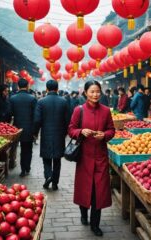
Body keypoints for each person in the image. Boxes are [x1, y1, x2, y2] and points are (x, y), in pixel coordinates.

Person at [68, 80, 115, 237]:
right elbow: (71, 129)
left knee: (98, 192)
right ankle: (83, 213)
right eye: (92, 91)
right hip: (84, 157)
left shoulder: (106, 110)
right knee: (84, 189)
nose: (95, 94)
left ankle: (95, 224)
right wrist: (81, 131)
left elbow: (111, 130)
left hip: (101, 157)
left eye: (97, 91)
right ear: (86, 93)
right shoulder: (78, 110)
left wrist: (105, 135)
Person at [33, 80, 70, 191]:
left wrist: (35, 133)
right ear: (57, 89)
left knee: (46, 158)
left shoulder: (41, 102)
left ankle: (48, 176)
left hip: (46, 133)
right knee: (57, 159)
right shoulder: (64, 101)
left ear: (47, 89)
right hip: (59, 134)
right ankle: (55, 183)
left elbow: (37, 120)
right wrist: (65, 132)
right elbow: (68, 119)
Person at [9, 79, 37, 177]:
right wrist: (35, 131)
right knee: (27, 149)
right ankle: (26, 167)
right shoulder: (32, 98)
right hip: (29, 128)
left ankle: (21, 168)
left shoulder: (12, 98)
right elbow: (35, 116)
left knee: (15, 148)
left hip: (16, 128)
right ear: (28, 86)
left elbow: (10, 114)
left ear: (18, 86)